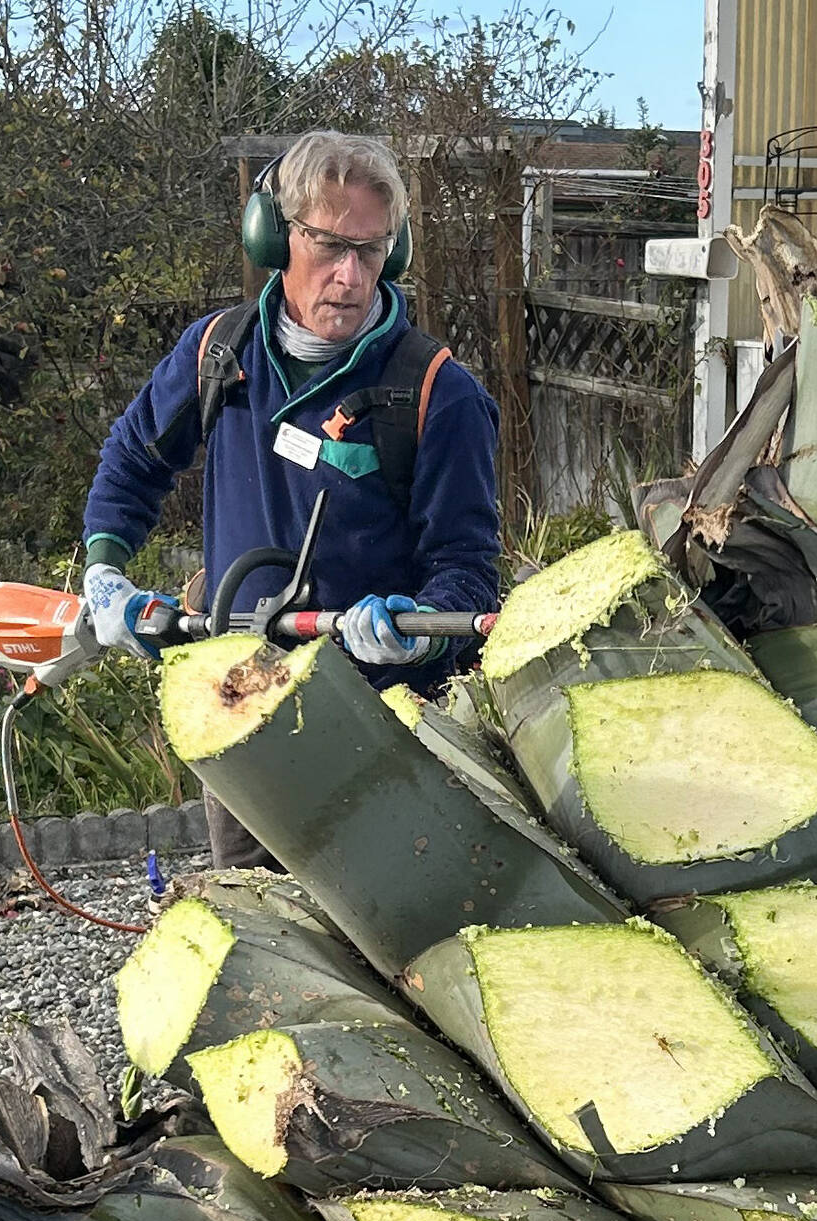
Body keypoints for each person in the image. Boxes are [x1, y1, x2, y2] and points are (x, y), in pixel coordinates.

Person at [78, 130, 502, 868]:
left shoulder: (436, 392)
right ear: (275, 237)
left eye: (370, 250)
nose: (349, 274)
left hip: (383, 721)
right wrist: (105, 574)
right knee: (260, 917)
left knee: (382, 924)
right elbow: (132, 460)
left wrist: (420, 628)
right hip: (243, 701)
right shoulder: (218, 353)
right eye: (328, 245)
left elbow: (465, 569)